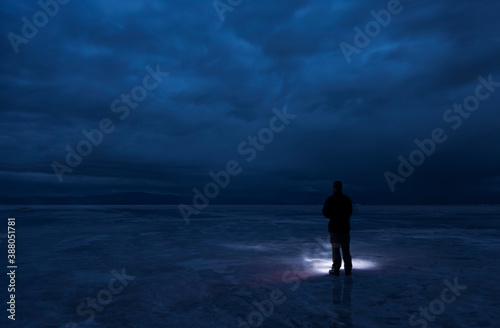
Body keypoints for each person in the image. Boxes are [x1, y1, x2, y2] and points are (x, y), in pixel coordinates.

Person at [322, 181, 353, 276]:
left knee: (336, 249)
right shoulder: (346, 199)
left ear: (334, 188)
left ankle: (336, 268)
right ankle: (348, 268)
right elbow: (350, 211)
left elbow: (325, 212)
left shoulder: (331, 199)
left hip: (335, 229)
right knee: (345, 249)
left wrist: (333, 216)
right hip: (344, 228)